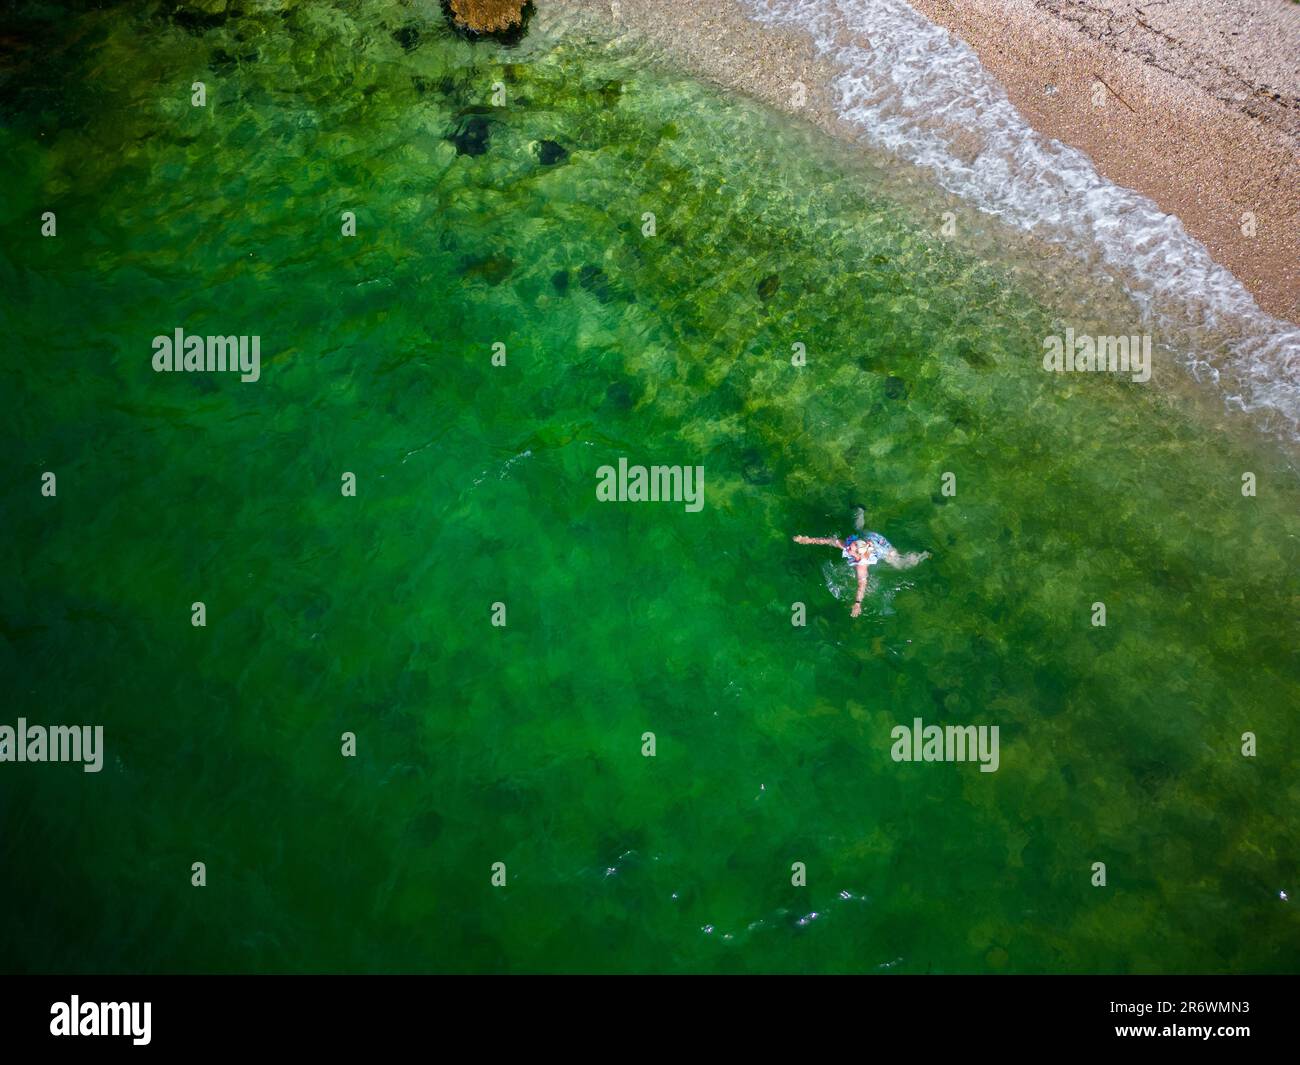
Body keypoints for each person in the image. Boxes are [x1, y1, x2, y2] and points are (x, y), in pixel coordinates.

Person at [793, 522, 930, 617]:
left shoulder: (862, 565)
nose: (847, 547)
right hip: (870, 538)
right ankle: (859, 510)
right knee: (859, 531)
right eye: (849, 545)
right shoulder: (852, 545)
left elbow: (862, 585)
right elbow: (828, 541)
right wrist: (806, 539)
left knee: (900, 564)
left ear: (858, 555)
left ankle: (923, 555)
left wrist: (858, 603)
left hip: (883, 548)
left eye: (850, 549)